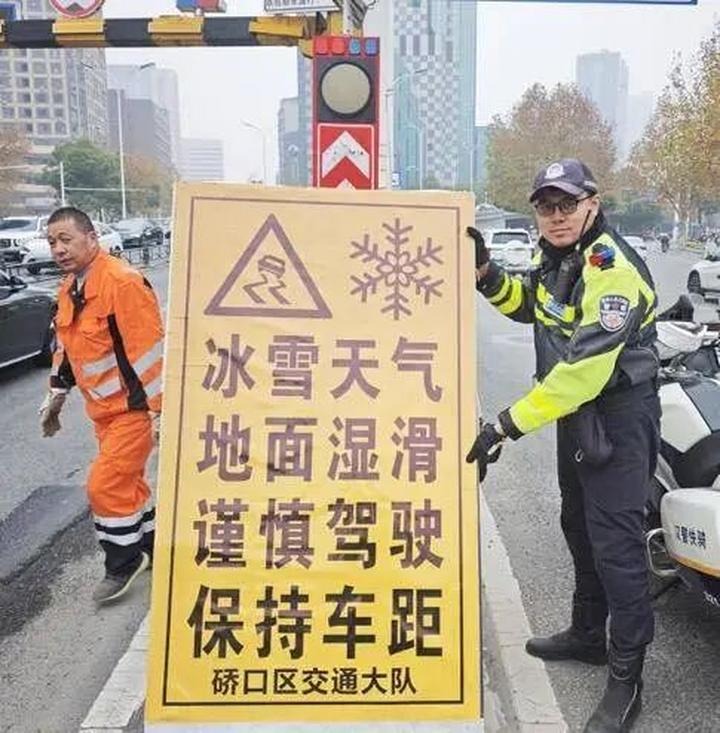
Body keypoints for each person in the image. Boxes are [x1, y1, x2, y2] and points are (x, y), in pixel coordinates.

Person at [467, 159, 660, 733]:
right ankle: (587, 634)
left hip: (618, 418)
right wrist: (485, 273)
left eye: (567, 204)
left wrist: (504, 425)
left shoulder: (611, 269)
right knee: (577, 524)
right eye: (546, 206)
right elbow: (529, 305)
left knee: (618, 548)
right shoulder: (555, 259)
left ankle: (626, 678)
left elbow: (582, 374)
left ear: (592, 204)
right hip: (577, 417)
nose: (556, 215)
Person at [39, 207, 164, 605]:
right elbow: (66, 346)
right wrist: (56, 394)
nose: (58, 249)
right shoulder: (69, 288)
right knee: (129, 485)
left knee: (104, 485)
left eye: (66, 239)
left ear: (92, 238)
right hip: (103, 413)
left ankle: (123, 563)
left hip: (134, 411)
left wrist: (162, 410)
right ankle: (152, 545)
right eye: (52, 242)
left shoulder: (122, 283)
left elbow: (149, 351)